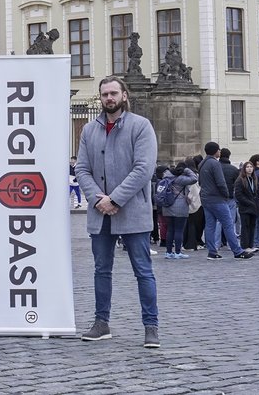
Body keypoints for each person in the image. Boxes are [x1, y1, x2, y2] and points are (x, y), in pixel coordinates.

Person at [74, 76, 160, 348]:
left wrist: (115, 199)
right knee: (102, 270)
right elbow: (81, 169)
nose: (109, 98)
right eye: (104, 94)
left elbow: (143, 169)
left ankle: (151, 326)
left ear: (124, 95)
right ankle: (102, 323)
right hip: (100, 212)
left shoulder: (141, 126)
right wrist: (97, 198)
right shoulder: (89, 129)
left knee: (143, 271)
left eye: (113, 93)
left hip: (133, 210)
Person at [198, 142, 253, 261]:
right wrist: (226, 195)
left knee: (210, 225)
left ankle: (212, 251)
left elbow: (200, 181)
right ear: (215, 151)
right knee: (228, 223)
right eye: (218, 150)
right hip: (217, 198)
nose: (220, 152)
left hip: (206, 197)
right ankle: (237, 251)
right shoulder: (214, 163)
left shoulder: (202, 163)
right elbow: (220, 182)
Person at [160, 160, 197, 258]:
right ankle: (177, 252)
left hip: (167, 206)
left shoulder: (167, 176)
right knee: (179, 230)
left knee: (170, 230)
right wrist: (187, 170)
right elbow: (194, 178)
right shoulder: (181, 179)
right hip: (180, 207)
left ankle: (168, 252)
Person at [234, 160, 259, 251]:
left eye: (251, 167)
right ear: (244, 169)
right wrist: (248, 202)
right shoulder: (240, 180)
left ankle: (250, 245)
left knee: (252, 226)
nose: (249, 169)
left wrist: (257, 203)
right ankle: (245, 246)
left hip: (254, 207)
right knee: (245, 226)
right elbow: (239, 194)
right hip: (245, 207)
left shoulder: (255, 179)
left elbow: (258, 192)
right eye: (247, 167)